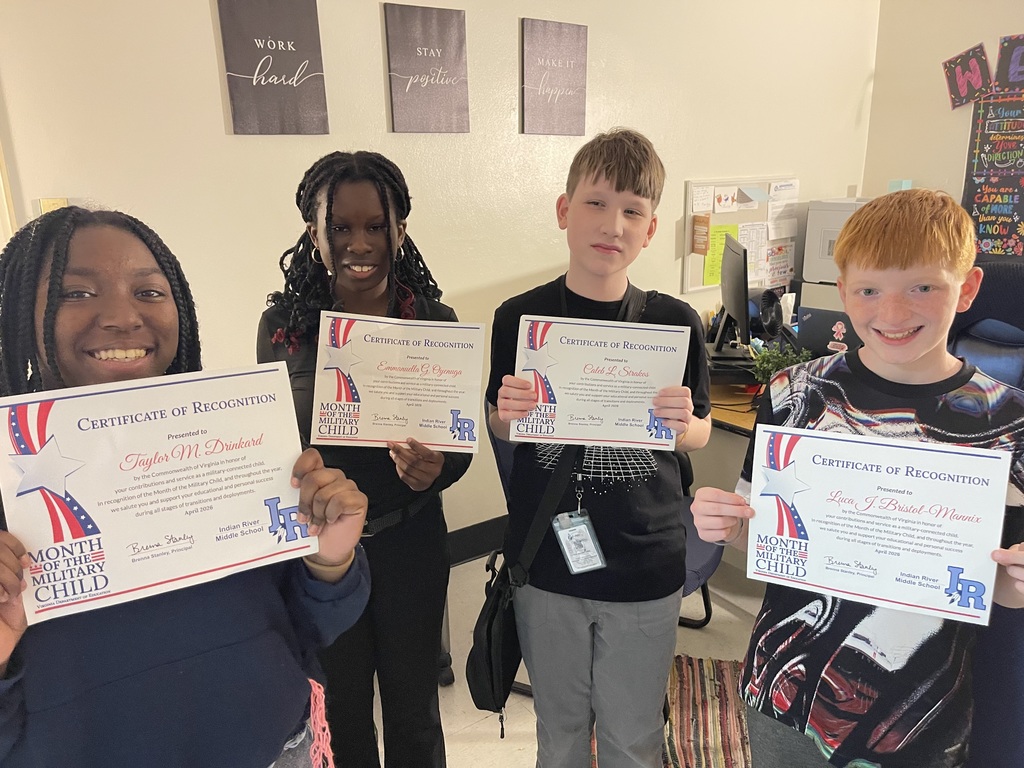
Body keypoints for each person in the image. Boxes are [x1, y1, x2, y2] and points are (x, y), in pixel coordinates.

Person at [0, 206, 371, 767]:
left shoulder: (231, 440)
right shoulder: (10, 480)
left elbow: (307, 626)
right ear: (17, 310)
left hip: (276, 749)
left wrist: (330, 559)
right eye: (76, 293)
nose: (123, 316)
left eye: (149, 292)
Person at [691, 188, 1024, 767]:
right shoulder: (794, 394)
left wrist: (1018, 581)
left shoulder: (1007, 421)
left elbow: (1000, 585)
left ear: (967, 289)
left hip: (914, 713)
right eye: (870, 290)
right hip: (784, 688)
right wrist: (724, 523)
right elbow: (762, 538)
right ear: (843, 291)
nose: (892, 314)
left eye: (923, 287)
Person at [486, 128, 712, 768]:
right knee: (558, 733)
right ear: (564, 211)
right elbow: (501, 429)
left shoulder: (675, 322)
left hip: (646, 562)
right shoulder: (520, 318)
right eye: (595, 203)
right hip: (547, 559)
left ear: (650, 227)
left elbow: (698, 431)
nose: (612, 223)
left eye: (633, 210)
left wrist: (683, 422)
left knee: (633, 737)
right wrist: (509, 414)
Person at [259, 150, 470, 767]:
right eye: (341, 227)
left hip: (410, 543)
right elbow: (271, 440)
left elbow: (456, 444)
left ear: (399, 230)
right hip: (324, 556)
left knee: (413, 712)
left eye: (375, 226)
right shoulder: (285, 327)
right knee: (342, 712)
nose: (359, 242)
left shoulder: (434, 322)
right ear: (313, 232)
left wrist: (439, 468)